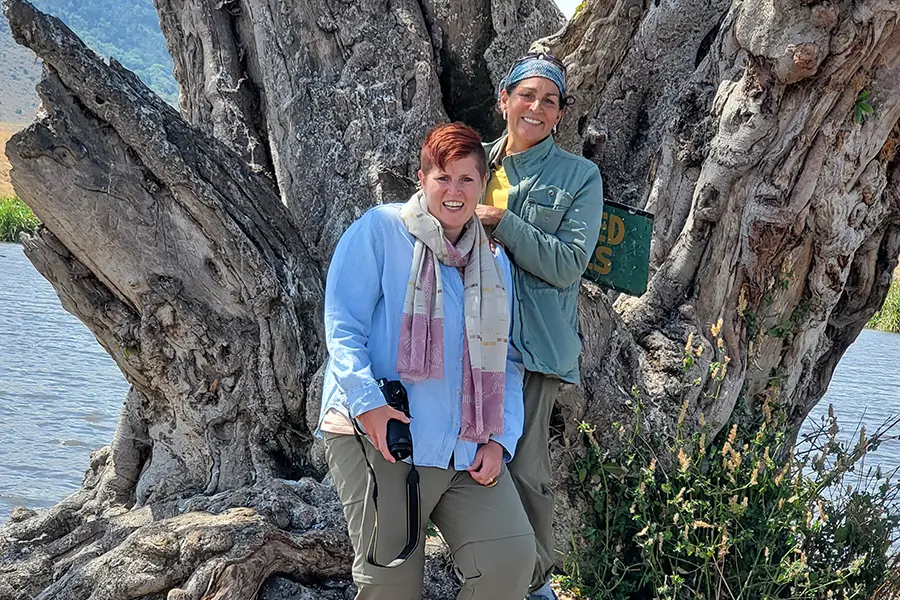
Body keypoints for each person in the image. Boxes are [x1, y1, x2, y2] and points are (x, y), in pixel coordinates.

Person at [318, 122, 535, 600]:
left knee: (511, 559)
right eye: (443, 178)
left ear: (482, 186)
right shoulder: (380, 231)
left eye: (466, 179)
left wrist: (499, 439)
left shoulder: (495, 262)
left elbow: (509, 358)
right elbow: (342, 326)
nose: (453, 191)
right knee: (391, 584)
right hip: (382, 437)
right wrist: (367, 404)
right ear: (422, 178)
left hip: (465, 444)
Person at [475, 52, 605, 600]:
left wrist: (503, 224)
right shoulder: (472, 160)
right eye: (526, 95)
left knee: (524, 469)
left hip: (529, 347)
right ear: (504, 100)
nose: (536, 107)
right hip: (464, 338)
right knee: (455, 455)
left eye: (549, 101)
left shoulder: (579, 176)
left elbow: (568, 262)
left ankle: (535, 585)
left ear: (559, 114)